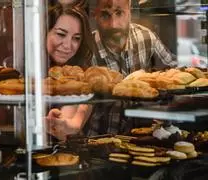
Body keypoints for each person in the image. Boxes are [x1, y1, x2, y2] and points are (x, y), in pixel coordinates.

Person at [47, 0, 178, 139]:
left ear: (130, 13)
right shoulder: (87, 49)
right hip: (100, 142)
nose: (113, 24)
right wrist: (70, 124)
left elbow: (177, 74)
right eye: (105, 15)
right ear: (95, 15)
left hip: (145, 139)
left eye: (119, 13)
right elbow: (82, 96)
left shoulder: (145, 38)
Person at [45, 5, 96, 140]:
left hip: (65, 156)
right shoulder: (22, 68)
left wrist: (65, 125)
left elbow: (76, 116)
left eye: (76, 38)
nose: (68, 45)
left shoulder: (81, 76)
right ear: (44, 31)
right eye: (61, 34)